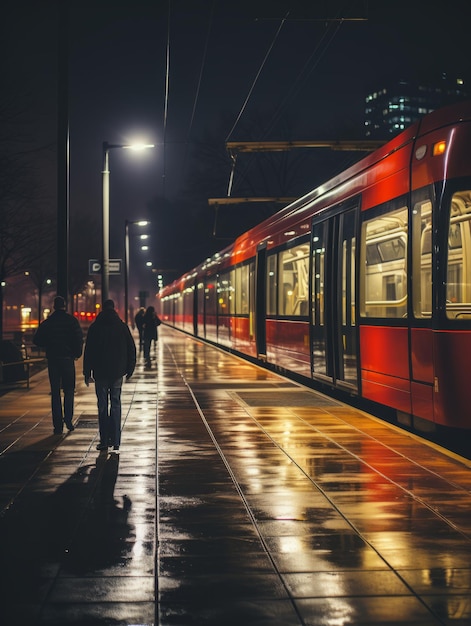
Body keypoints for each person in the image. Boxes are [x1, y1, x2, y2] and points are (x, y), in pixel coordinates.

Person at [83, 299, 136, 452]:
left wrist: (87, 372)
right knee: (116, 403)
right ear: (114, 309)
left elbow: (89, 352)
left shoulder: (95, 327)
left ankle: (104, 440)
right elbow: (131, 348)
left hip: (100, 373)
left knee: (102, 406)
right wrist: (129, 368)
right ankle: (116, 440)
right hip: (118, 371)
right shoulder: (121, 326)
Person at [33, 295, 83, 434]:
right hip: (67, 359)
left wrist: (48, 345)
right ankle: (68, 419)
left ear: (54, 306)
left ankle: (57, 424)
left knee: (55, 392)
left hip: (53, 359)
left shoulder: (48, 322)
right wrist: (76, 354)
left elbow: (37, 340)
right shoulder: (71, 321)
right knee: (69, 390)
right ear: (65, 305)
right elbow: (79, 339)